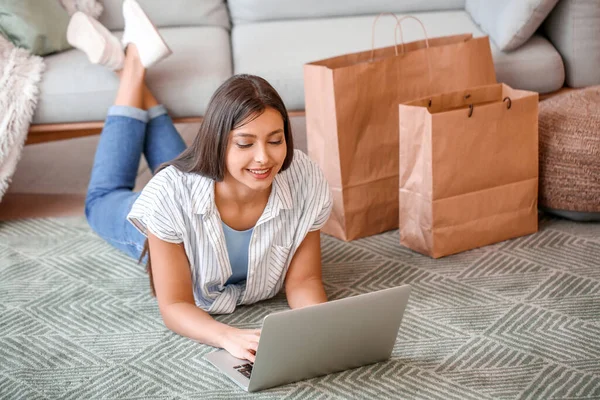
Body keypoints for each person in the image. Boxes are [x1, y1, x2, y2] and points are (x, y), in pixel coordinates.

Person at [67, 0, 333, 363]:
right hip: (168, 216)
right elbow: (174, 303)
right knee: (100, 199)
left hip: (197, 179)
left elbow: (302, 281)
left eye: (275, 140)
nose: (264, 158)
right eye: (245, 143)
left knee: (179, 165)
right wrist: (228, 336)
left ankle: (130, 63)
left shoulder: (303, 177)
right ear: (218, 142)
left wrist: (324, 326)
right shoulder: (166, 199)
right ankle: (130, 66)